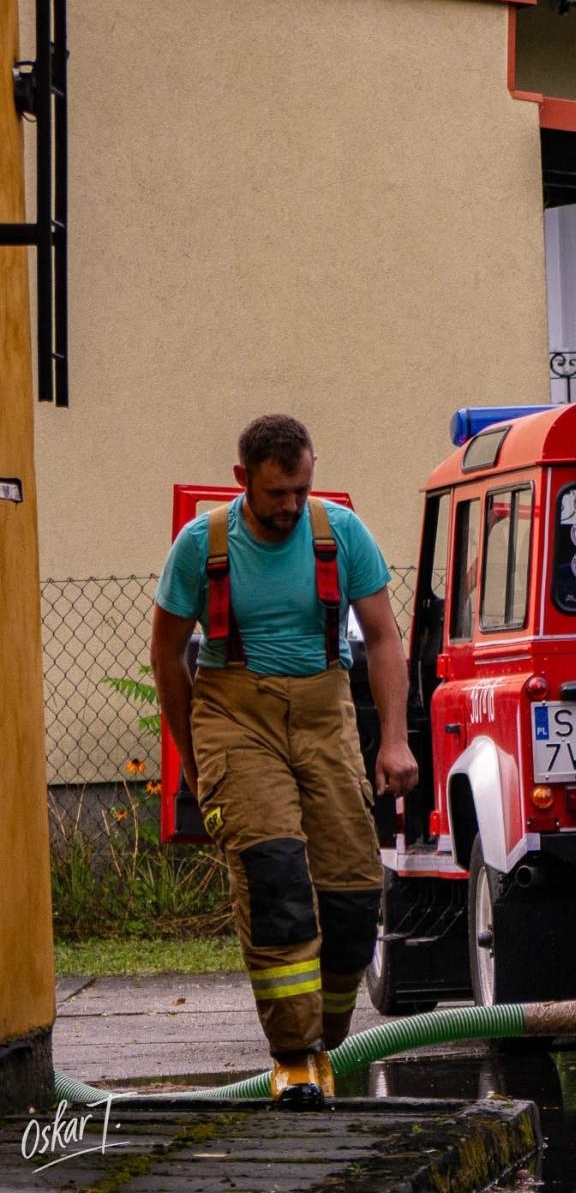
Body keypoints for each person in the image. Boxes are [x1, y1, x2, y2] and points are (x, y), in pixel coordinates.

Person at [150, 414, 418, 1108]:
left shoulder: (341, 534)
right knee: (275, 881)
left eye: (301, 488)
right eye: (276, 493)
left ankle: (327, 1037)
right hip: (235, 715)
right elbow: (168, 655)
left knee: (353, 892)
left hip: (325, 713)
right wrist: (193, 757)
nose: (292, 505)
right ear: (242, 479)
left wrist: (394, 739)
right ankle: (294, 1058)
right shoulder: (201, 546)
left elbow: (384, 639)